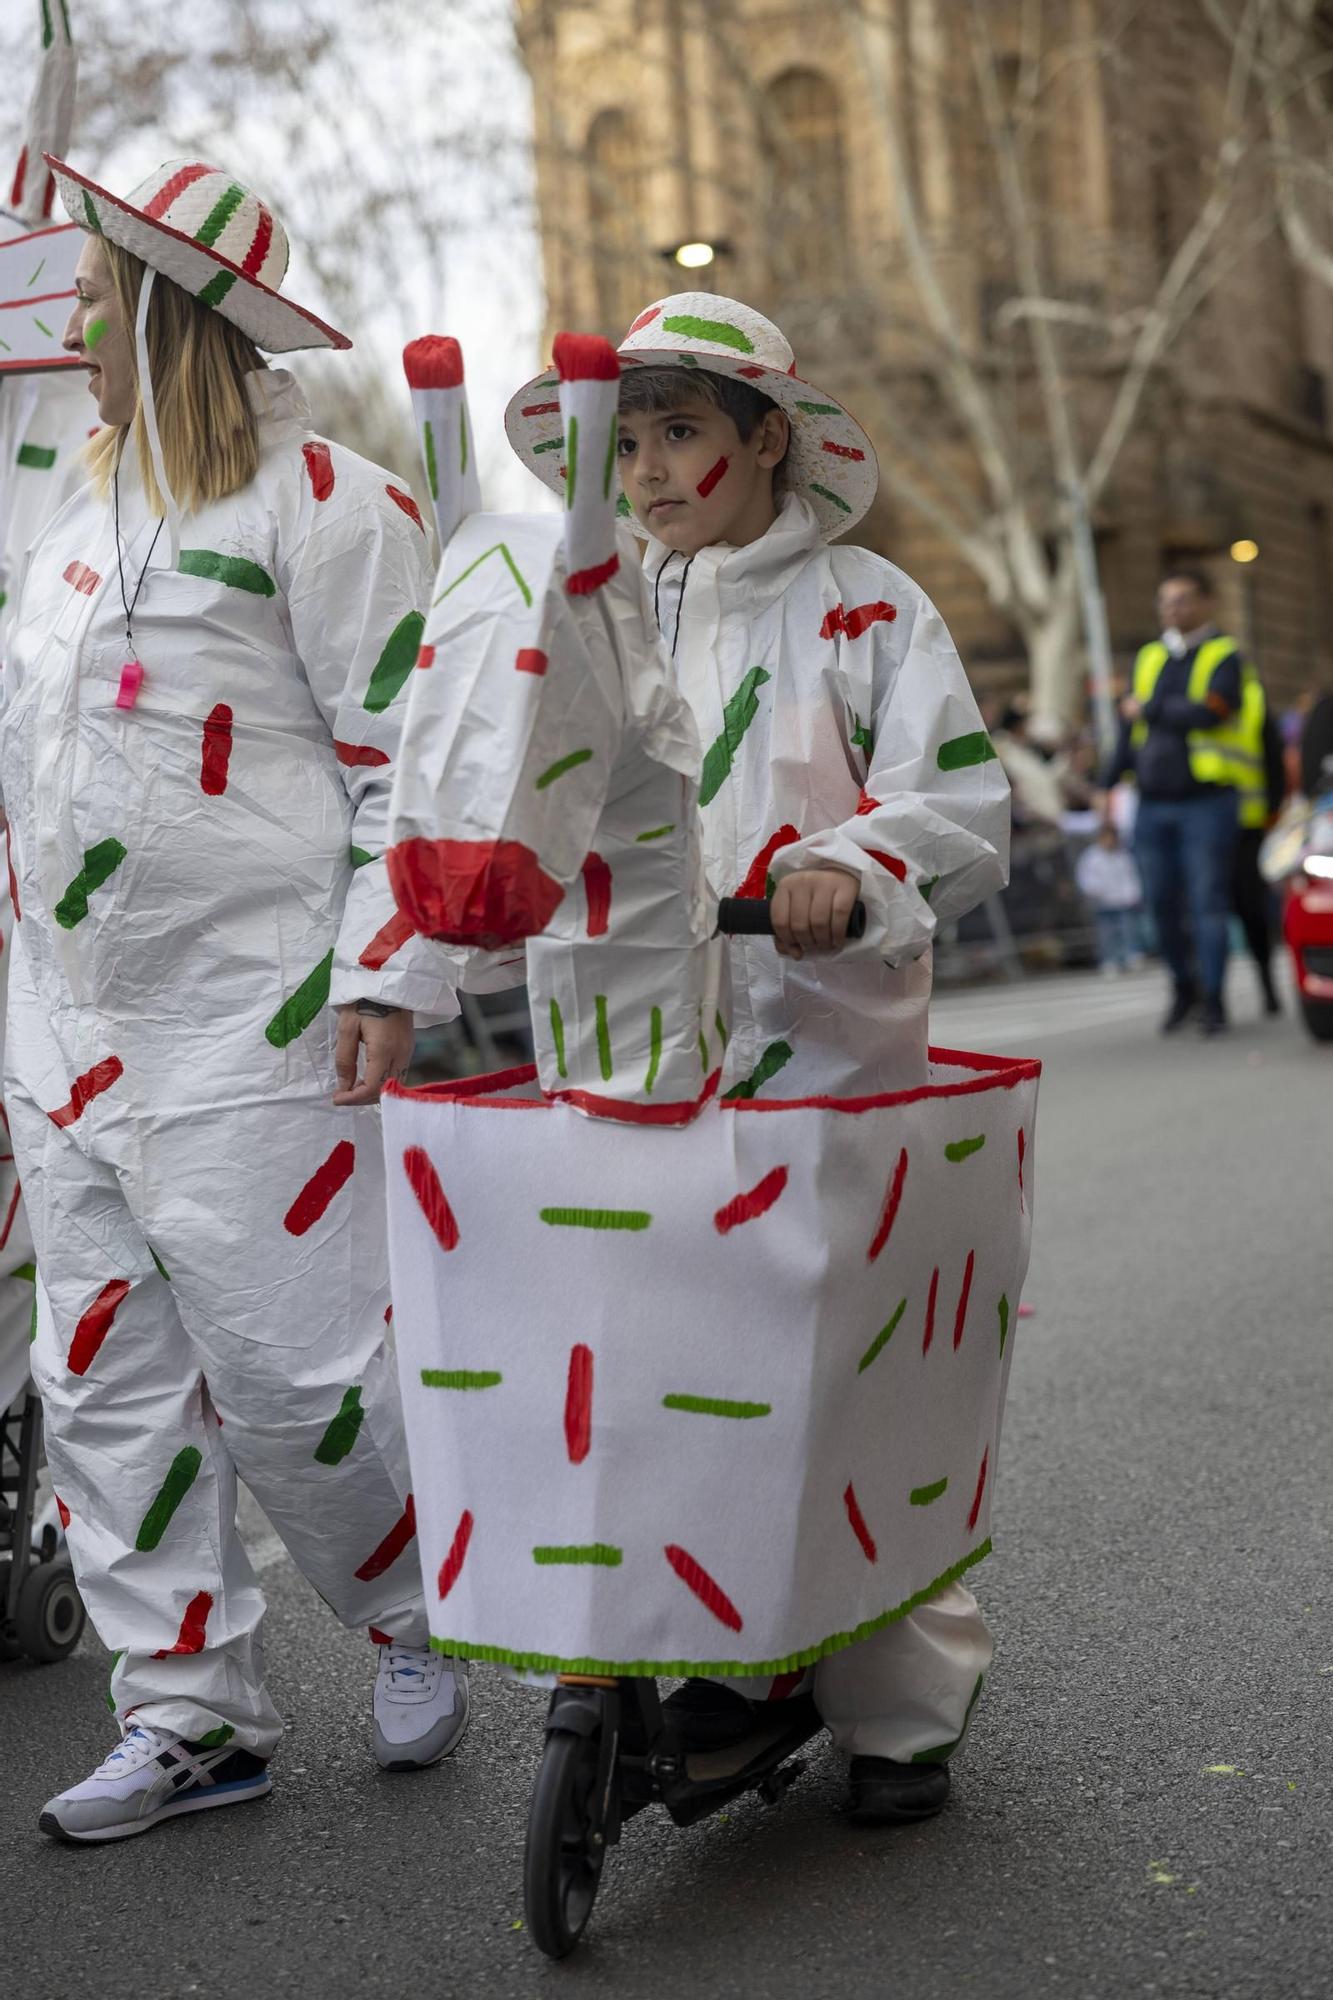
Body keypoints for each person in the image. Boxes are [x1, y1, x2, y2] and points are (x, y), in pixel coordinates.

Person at [2, 154, 469, 1844]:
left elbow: (398, 764)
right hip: (64, 1032)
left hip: (258, 1027)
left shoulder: (334, 502)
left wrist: (386, 969)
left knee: (302, 1380)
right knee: (105, 1382)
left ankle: (423, 1616)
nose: (68, 324)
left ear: (161, 307)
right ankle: (190, 1712)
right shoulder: (71, 519)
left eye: (93, 293)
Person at [506, 292, 1010, 1825]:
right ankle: (701, 1650)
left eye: (682, 434)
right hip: (633, 1055)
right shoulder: (591, 610)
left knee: (850, 1381)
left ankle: (899, 1703)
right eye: (633, 437)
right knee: (649, 1370)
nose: (650, 469)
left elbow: (962, 806)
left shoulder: (870, 606)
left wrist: (849, 870)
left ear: (766, 441)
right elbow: (522, 779)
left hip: (828, 1066)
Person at [1102, 567, 1261, 1036]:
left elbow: (1214, 711)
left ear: (1206, 602)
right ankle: (1182, 988)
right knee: (1158, 904)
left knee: (1207, 902)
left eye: (1184, 599)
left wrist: (1149, 707)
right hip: (1152, 802)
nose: (1174, 609)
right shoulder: (1150, 657)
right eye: (1166, 601)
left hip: (1206, 802)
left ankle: (1213, 999)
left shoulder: (1224, 655)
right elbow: (1130, 732)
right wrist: (1106, 785)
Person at [1075, 822, 1145, 974]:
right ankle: (1110, 960)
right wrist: (1095, 892)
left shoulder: (1123, 855)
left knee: (1129, 930)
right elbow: (1086, 879)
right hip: (1103, 901)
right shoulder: (1091, 857)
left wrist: (1134, 894)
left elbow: (1131, 876)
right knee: (1107, 933)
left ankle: (1131, 956)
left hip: (1123, 900)